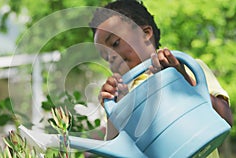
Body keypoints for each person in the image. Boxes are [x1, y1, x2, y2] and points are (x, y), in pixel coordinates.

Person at [89, 0, 233, 157]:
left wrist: (182, 78)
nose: (110, 56)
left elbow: (224, 118)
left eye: (115, 43)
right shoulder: (120, 98)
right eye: (104, 55)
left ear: (146, 33)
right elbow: (118, 152)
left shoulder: (187, 67)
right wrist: (115, 113)